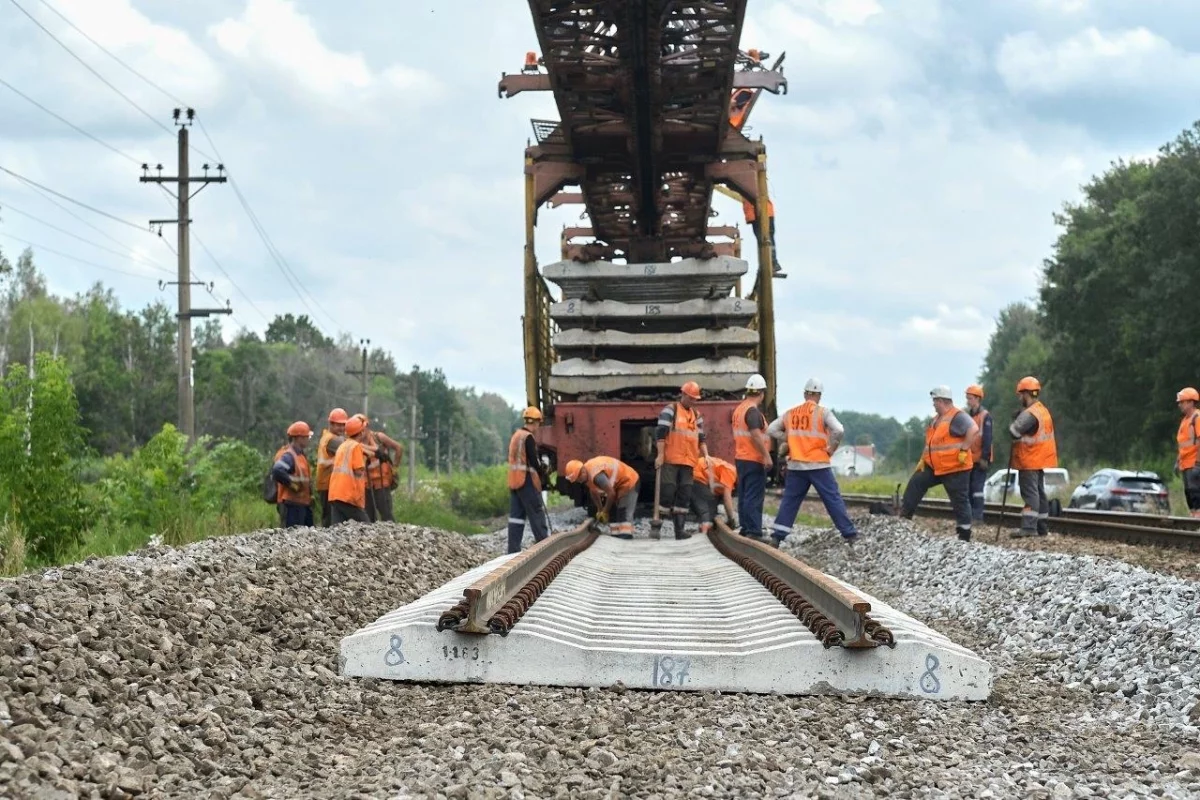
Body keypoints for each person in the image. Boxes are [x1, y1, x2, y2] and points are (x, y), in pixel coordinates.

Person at [767, 378, 859, 546]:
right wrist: (831, 447)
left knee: (790, 501)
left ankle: (777, 536)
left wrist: (788, 438)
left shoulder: (790, 413)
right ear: (819, 396)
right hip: (818, 464)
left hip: (796, 465)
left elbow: (771, 429)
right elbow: (839, 430)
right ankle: (850, 535)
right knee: (832, 499)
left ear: (804, 394)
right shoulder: (823, 413)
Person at [900, 386, 980, 541]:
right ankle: (904, 518)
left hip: (955, 467)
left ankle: (964, 535)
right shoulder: (936, 420)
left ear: (942, 401)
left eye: (935, 401)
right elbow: (931, 444)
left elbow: (974, 429)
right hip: (935, 467)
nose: (933, 404)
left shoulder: (957, 416)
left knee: (959, 501)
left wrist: (964, 449)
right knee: (916, 483)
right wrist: (923, 460)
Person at [655, 381, 712, 541]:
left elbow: (701, 438)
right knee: (667, 491)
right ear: (684, 395)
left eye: (696, 399)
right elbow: (661, 433)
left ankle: (679, 531)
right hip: (671, 459)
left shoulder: (697, 415)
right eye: (692, 398)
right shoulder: (670, 410)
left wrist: (706, 454)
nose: (694, 401)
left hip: (688, 462)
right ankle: (657, 526)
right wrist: (660, 455)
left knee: (684, 494)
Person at [1009, 376, 1057, 537]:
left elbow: (1014, 431)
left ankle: (1029, 528)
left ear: (1026, 394)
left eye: (1020, 394)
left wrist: (1017, 419)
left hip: (1029, 459)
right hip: (1040, 459)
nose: (1019, 398)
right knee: (1039, 492)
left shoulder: (1030, 414)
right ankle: (1042, 528)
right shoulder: (1042, 410)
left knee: (1030, 493)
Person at [506, 407, 551, 554]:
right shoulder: (528, 437)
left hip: (514, 480)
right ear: (537, 422)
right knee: (536, 512)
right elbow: (534, 461)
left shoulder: (516, 435)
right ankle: (545, 547)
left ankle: (513, 551)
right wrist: (543, 469)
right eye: (539, 423)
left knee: (516, 517)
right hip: (526, 481)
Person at [733, 373, 773, 538]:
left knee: (744, 495)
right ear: (761, 393)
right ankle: (753, 531)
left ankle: (745, 527)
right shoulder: (752, 411)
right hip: (753, 459)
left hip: (741, 458)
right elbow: (756, 434)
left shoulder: (739, 409)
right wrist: (766, 456)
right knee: (754, 496)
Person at [563, 456, 640, 539]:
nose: (579, 481)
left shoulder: (597, 475)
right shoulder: (587, 475)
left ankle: (626, 536)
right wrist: (599, 509)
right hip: (620, 485)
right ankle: (617, 536)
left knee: (623, 511)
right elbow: (593, 491)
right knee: (616, 512)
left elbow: (611, 493)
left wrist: (605, 511)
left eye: (578, 479)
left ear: (583, 471)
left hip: (630, 481)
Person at [354, 413, 404, 523]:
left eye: (363, 429)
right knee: (368, 517)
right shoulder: (355, 443)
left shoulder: (379, 437)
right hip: (366, 485)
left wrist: (395, 468)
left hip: (382, 483)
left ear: (367, 427)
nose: (361, 433)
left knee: (386, 514)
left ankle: (392, 535)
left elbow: (398, 448)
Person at [328, 414, 372, 524]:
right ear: (361, 432)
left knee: (338, 530)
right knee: (366, 526)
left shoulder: (343, 445)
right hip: (348, 495)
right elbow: (358, 470)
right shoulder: (356, 446)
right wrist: (365, 459)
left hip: (335, 493)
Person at [271, 421, 314, 528]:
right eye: (306, 437)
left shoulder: (300, 455)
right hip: (291, 505)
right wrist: (292, 484)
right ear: (298, 438)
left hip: (301, 504)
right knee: (291, 538)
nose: (308, 439)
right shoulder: (289, 455)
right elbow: (277, 470)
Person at [315, 408, 348, 527]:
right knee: (330, 519)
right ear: (331, 424)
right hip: (327, 484)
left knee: (331, 518)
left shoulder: (328, 437)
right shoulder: (332, 440)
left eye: (344, 425)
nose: (342, 428)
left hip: (329, 484)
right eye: (339, 425)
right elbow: (350, 447)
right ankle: (327, 542)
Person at [964, 385, 993, 523]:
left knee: (977, 489)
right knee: (969, 489)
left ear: (977, 399)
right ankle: (971, 516)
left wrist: (984, 458)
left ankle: (977, 517)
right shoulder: (968, 416)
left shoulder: (985, 416)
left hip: (981, 459)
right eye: (967, 398)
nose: (968, 401)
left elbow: (987, 438)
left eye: (970, 398)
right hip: (970, 459)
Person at [692, 455, 737, 535]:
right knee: (707, 504)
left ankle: (707, 525)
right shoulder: (730, 473)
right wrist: (731, 519)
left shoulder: (730, 471)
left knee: (711, 503)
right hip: (697, 475)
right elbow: (727, 498)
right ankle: (704, 529)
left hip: (698, 473)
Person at [1175, 387, 1200, 518]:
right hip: (1185, 463)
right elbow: (1183, 444)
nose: (1179, 405)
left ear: (1191, 402)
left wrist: (1197, 464)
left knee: (1196, 494)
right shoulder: (1185, 420)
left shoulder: (1197, 417)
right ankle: (1194, 520)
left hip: (1194, 463)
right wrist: (1178, 460)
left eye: (1182, 402)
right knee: (1189, 494)